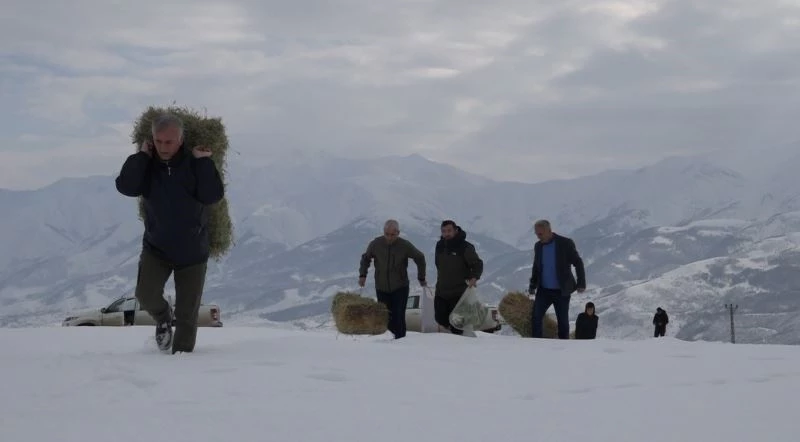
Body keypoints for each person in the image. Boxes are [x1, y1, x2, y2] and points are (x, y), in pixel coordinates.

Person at [114, 113, 225, 354]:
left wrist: (204, 162)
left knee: (187, 317)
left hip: (193, 252)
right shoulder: (147, 166)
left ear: (181, 139)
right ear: (152, 139)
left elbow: (212, 196)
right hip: (157, 248)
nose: (164, 147)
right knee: (145, 296)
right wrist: (142, 157)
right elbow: (126, 187)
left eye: (169, 142)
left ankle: (181, 368)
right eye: (159, 141)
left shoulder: (194, 164)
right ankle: (164, 318)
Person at [358, 219, 427, 339]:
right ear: (383, 232)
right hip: (381, 287)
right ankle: (392, 341)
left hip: (400, 286)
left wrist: (421, 277)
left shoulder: (404, 245)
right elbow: (366, 258)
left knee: (398, 316)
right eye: (387, 234)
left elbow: (420, 257)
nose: (389, 237)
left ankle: (400, 342)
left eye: (393, 235)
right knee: (385, 317)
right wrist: (362, 275)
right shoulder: (376, 244)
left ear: (398, 233)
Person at [527, 219, 586, 339]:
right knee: (536, 317)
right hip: (544, 290)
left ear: (549, 231)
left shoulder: (565, 243)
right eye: (536, 234)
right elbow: (536, 267)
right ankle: (535, 344)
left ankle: (563, 348)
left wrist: (581, 283)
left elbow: (578, 262)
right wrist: (533, 285)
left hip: (561, 291)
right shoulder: (538, 246)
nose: (538, 237)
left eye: (540, 234)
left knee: (563, 322)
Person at [433, 220, 484, 335]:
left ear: (456, 230)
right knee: (440, 318)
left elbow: (477, 264)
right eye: (444, 231)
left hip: (459, 293)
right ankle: (450, 333)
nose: (446, 234)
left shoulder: (465, 247)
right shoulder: (439, 245)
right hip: (441, 291)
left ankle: (458, 347)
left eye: (449, 231)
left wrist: (474, 277)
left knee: (457, 324)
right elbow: (438, 264)